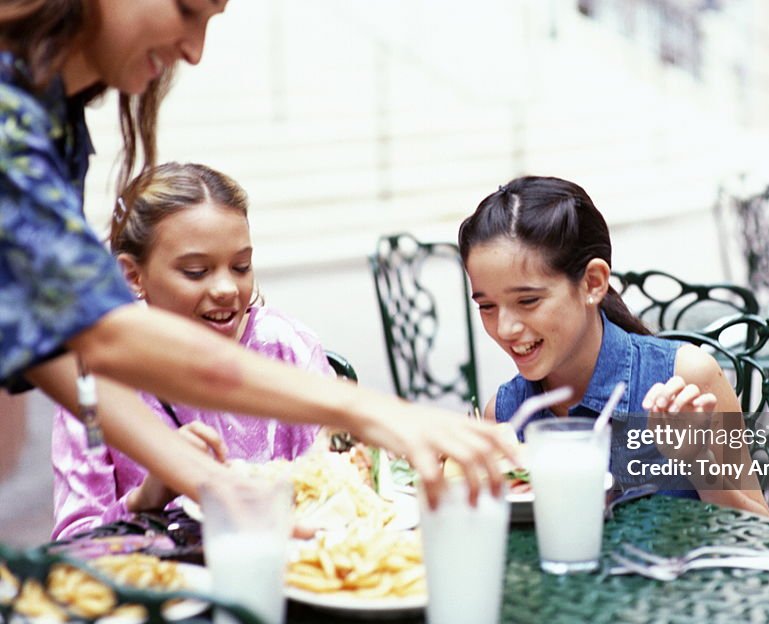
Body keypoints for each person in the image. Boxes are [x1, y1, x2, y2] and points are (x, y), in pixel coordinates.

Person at [0, 0, 514, 510]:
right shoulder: (12, 116)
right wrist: (370, 409)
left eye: (241, 265)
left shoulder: (51, 114)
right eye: (186, 10)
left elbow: (62, 349)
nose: (195, 51)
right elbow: (100, 336)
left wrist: (206, 480)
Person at [51, 162, 339, 539]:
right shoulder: (94, 379)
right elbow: (75, 543)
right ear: (133, 276)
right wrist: (146, 497)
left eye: (240, 266)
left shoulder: (286, 347)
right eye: (196, 271)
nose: (226, 289)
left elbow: (341, 484)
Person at [457, 176, 769, 515]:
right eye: (486, 306)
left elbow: (764, 533)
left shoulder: (686, 379)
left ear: (593, 282)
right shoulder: (504, 415)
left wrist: (697, 460)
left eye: (528, 301)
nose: (505, 328)